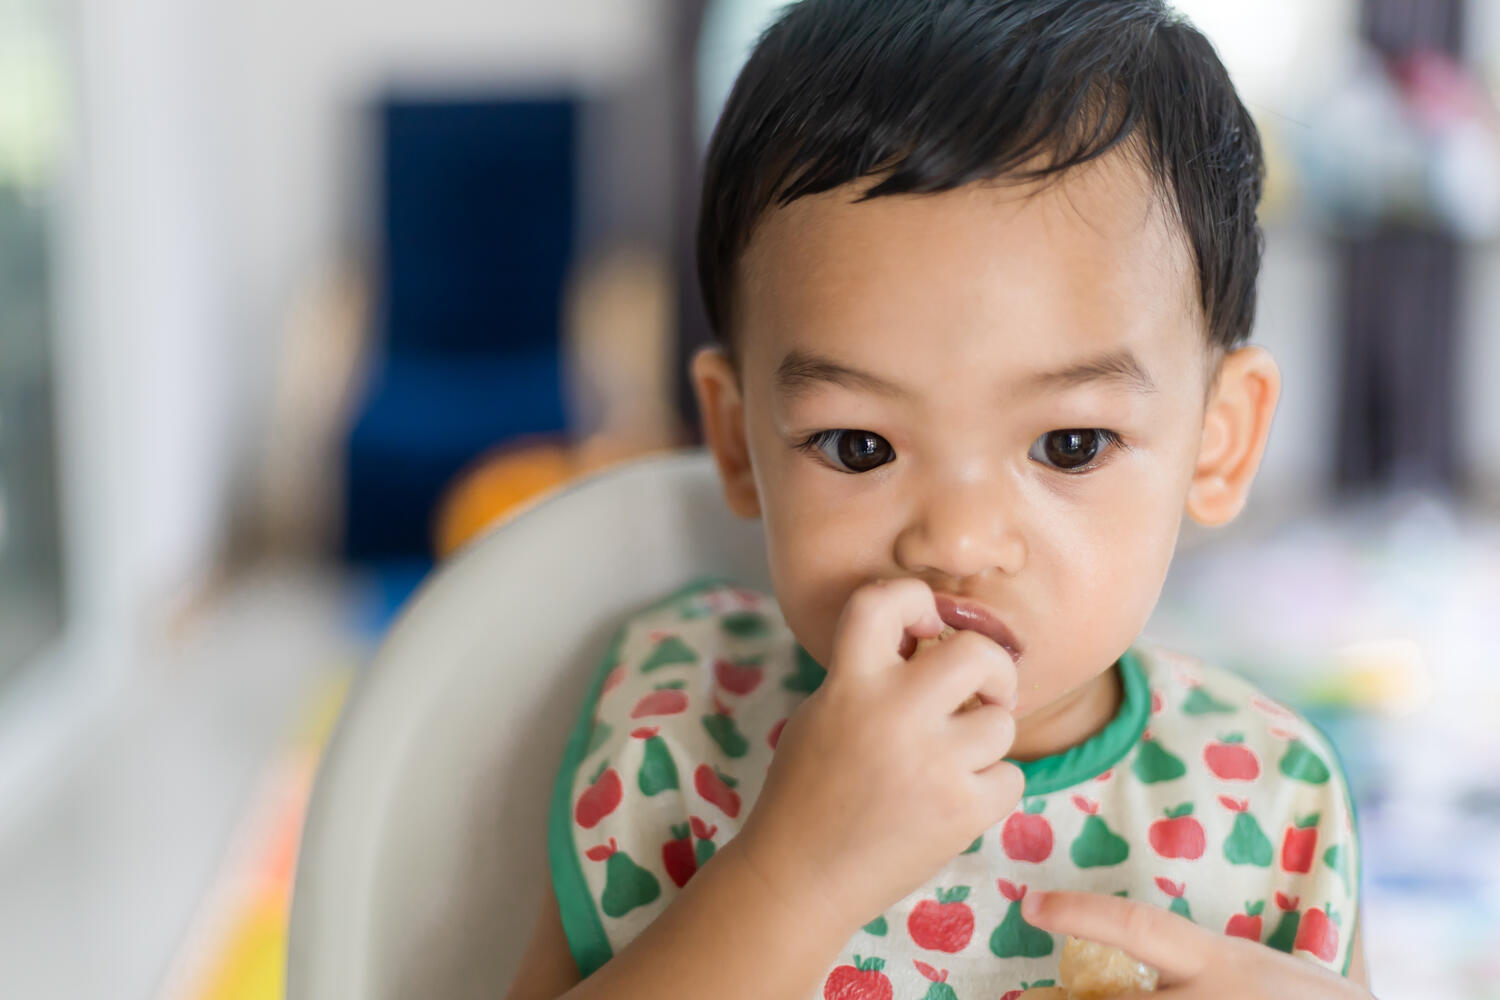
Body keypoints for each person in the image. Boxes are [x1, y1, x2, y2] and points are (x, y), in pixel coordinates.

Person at [506, 1, 1375, 997]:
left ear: (1217, 443)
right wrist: (788, 881)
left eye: (1071, 443)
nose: (957, 541)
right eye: (859, 445)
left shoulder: (1270, 801)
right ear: (738, 439)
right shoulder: (675, 728)